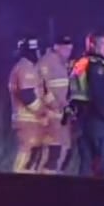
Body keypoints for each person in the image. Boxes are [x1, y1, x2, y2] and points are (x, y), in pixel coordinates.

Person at [68, 31, 104, 177]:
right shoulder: (98, 65)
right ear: (92, 45)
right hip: (100, 120)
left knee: (86, 164)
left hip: (83, 119)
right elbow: (100, 94)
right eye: (102, 44)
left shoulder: (79, 64)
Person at [6, 35, 48, 173]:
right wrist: (43, 111)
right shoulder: (25, 68)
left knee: (33, 159)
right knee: (27, 157)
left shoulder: (29, 67)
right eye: (38, 50)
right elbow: (27, 96)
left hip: (32, 121)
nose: (40, 54)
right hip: (27, 121)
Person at [35, 33, 75, 172]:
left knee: (65, 150)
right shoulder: (46, 63)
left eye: (70, 49)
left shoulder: (64, 64)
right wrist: (54, 105)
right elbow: (41, 87)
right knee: (51, 153)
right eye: (65, 48)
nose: (68, 52)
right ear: (56, 47)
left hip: (62, 117)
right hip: (51, 116)